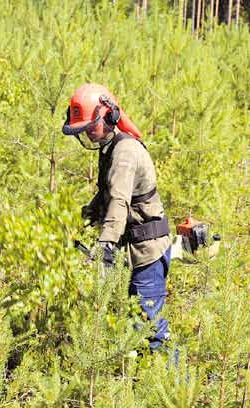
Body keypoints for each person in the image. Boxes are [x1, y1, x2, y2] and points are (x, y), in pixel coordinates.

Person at [62, 83, 173, 351]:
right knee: (131, 326)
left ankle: (173, 385)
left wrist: (105, 243)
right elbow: (107, 195)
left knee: (149, 330)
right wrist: (83, 221)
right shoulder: (109, 148)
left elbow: (120, 202)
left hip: (147, 253)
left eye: (91, 126)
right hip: (132, 250)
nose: (89, 133)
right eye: (84, 129)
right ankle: (137, 385)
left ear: (110, 116)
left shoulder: (124, 153)